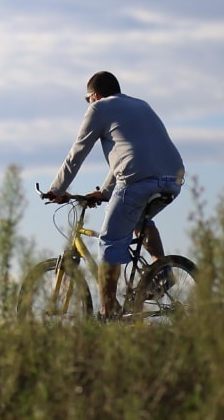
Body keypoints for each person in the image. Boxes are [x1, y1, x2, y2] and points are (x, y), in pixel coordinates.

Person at [43, 71, 185, 318]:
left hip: (138, 181)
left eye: (88, 99)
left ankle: (108, 312)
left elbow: (77, 153)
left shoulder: (98, 109)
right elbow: (130, 153)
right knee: (140, 220)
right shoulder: (141, 105)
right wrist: (104, 192)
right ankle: (161, 271)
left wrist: (56, 189)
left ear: (95, 95)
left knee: (109, 242)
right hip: (173, 178)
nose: (88, 104)